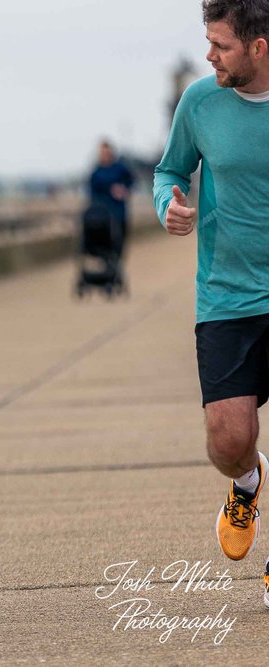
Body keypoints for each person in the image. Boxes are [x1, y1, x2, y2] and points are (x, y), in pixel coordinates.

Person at [154, 0, 269, 605]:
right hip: (226, 294)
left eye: (220, 44)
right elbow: (168, 170)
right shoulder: (200, 100)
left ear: (259, 46)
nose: (209, 55)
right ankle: (248, 480)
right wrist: (168, 204)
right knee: (228, 440)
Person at [88, 139, 135, 258]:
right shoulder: (96, 173)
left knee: (120, 246)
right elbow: (92, 195)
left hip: (119, 214)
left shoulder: (120, 168)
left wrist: (124, 190)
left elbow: (131, 180)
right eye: (102, 153)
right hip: (102, 216)